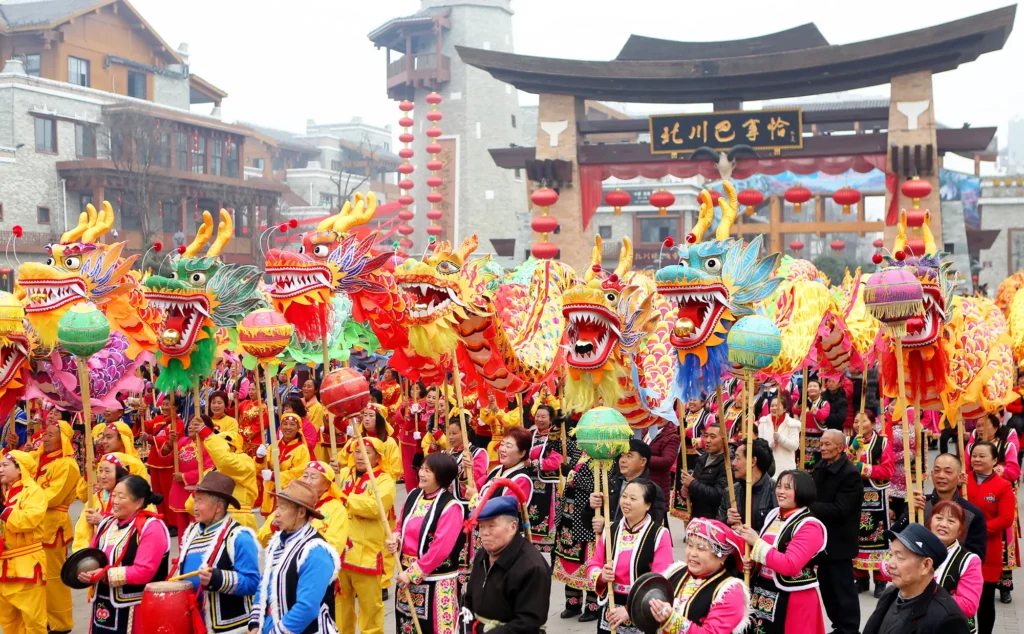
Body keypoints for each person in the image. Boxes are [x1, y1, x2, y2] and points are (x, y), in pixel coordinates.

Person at [734, 469, 826, 634]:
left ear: (802, 491)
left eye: (787, 487)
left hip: (793, 599)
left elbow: (790, 565)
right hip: (763, 594)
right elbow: (765, 553)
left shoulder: (810, 526)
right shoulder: (773, 515)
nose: (781, 491)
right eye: (779, 486)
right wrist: (753, 563)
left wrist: (757, 542)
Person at [385, 453, 465, 634]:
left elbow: (441, 549)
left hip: (435, 582)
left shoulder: (451, 507)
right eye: (422, 468)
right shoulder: (414, 495)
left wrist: (413, 573)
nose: (421, 473)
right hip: (406, 578)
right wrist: (396, 539)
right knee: (408, 627)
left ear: (442, 475)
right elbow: (400, 525)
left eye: (428, 470)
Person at [173, 471, 260, 634]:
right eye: (195, 500)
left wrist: (218, 578)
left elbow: (253, 582)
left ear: (219, 506)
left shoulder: (239, 536)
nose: (195, 506)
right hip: (194, 619)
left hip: (229, 627)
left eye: (200, 501)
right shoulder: (192, 531)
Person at [249, 480, 340, 634]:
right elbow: (264, 585)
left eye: (283, 508)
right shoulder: (277, 542)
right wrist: (255, 624)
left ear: (301, 512)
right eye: (277, 506)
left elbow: (307, 608)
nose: (276, 513)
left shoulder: (316, 552)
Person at [82, 475, 170, 634]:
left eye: (121, 496)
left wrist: (104, 575)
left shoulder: (151, 527)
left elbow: (144, 571)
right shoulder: (107, 524)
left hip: (136, 608)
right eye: (114, 495)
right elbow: (92, 556)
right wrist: (83, 572)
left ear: (138, 502)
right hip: (103, 605)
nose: (114, 500)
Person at [586, 480, 673, 634]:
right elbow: (593, 565)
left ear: (648, 505)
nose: (626, 502)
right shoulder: (610, 530)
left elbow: (660, 581)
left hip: (643, 606)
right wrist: (601, 576)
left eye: (633, 499)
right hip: (611, 607)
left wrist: (629, 610)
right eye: (624, 496)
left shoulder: (659, 535)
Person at [461, 496, 551, 632]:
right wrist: (466, 627)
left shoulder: (532, 566)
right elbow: (468, 600)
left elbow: (528, 622)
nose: (484, 533)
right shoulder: (483, 554)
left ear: (513, 527)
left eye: (492, 526)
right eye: (481, 527)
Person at [647, 518, 750, 634]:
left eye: (701, 548)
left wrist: (671, 620)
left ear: (722, 557)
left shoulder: (729, 591)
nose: (692, 553)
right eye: (690, 545)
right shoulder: (676, 572)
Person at [862, 523, 970, 634]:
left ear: (926, 565)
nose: (890, 564)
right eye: (890, 555)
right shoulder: (890, 594)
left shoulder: (947, 618)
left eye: (900, 557)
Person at [337, 436, 397, 634]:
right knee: (340, 612)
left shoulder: (385, 480)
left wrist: (344, 499)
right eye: (357, 452)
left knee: (371, 612)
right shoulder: (343, 474)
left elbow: (375, 507)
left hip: (367, 555)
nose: (360, 456)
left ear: (378, 457)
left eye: (367, 452)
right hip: (339, 554)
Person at [809, 428, 864, 634]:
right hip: (821, 542)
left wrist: (810, 507)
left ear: (840, 448)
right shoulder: (821, 467)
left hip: (840, 542)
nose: (822, 448)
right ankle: (838, 626)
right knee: (827, 590)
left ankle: (850, 629)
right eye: (821, 443)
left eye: (827, 444)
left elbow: (841, 509)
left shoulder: (850, 474)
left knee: (843, 591)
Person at [30, 420, 81, 634]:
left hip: (52, 528)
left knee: (53, 578)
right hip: (32, 526)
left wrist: (26, 499)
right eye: (45, 434)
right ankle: (44, 620)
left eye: (51, 435)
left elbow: (53, 496)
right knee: (37, 578)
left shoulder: (67, 465)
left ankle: (61, 623)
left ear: (63, 440)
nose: (45, 438)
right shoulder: (38, 459)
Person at [968, 412, 1020, 604]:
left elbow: (1014, 471)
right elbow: (966, 469)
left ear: (996, 427)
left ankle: (1005, 586)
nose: (980, 429)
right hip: (976, 498)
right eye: (978, 425)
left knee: (1003, 546)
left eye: (984, 425)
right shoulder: (972, 445)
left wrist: (991, 470)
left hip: (1001, 498)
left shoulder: (1007, 445)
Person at [896, 453, 988, 558]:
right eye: (937, 471)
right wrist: (909, 514)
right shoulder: (920, 505)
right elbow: (896, 538)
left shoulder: (972, 513)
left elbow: (977, 556)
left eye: (948, 472)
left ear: (960, 477)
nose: (941, 476)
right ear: (932, 474)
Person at [966, 441, 1015, 634]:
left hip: (988, 551)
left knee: (985, 601)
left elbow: (1005, 519)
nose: (976, 459)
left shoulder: (1003, 486)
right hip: (961, 547)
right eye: (974, 455)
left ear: (995, 460)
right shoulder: (962, 480)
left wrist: (978, 529)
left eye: (982, 456)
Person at [553, 433, 600, 622]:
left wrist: (574, 479)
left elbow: (599, 485)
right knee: (568, 560)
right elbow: (562, 446)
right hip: (568, 516)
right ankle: (572, 604)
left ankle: (592, 607)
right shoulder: (580, 452)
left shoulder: (602, 459)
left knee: (587, 563)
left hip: (585, 519)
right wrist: (558, 429)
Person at [850, 410, 896, 597]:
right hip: (855, 495)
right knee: (857, 537)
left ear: (873, 422)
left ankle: (880, 581)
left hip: (876, 495)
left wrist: (864, 468)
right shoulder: (849, 442)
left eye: (863, 421)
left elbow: (888, 470)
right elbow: (841, 463)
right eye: (855, 421)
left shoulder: (883, 442)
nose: (858, 425)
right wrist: (851, 450)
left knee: (877, 538)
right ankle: (860, 579)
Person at [0, 449, 46, 634]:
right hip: (3, 569)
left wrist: (2, 510)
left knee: (34, 623)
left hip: (26, 565)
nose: (0, 469)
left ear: (20, 470)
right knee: (9, 624)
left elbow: (28, 520)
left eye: (5, 465)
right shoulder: (3, 492)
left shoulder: (34, 492)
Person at [189, 415, 258, 529]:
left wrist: (206, 434)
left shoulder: (245, 461)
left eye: (225, 445)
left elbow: (225, 460)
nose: (220, 449)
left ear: (234, 447)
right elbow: (190, 506)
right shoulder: (211, 472)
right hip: (214, 522)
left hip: (239, 519)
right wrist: (197, 496)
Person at [929, 500, 984, 633]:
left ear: (960, 530)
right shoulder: (918, 550)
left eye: (951, 521)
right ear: (930, 522)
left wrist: (926, 596)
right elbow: (889, 571)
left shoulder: (969, 560)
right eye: (939, 518)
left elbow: (969, 605)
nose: (943, 524)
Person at [592, 439, 666, 532]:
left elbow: (651, 528)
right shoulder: (612, 483)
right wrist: (592, 506)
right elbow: (588, 522)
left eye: (629, 456)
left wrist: (608, 526)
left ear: (643, 461)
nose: (622, 460)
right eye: (622, 455)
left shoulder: (653, 490)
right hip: (607, 543)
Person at [526, 404, 572, 552]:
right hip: (529, 484)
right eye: (537, 416)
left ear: (551, 419)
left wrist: (532, 463)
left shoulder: (555, 436)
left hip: (547, 485)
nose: (539, 419)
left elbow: (554, 462)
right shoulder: (530, 434)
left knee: (545, 517)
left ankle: (546, 547)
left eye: (543, 417)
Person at [165, 414, 215, 540]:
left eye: (196, 424)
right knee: (182, 529)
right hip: (180, 491)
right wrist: (171, 444)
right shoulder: (182, 441)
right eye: (191, 423)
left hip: (197, 490)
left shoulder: (210, 444)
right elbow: (168, 460)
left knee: (197, 525)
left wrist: (184, 476)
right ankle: (183, 555)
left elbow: (209, 469)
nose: (191, 427)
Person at [72, 453, 131, 550]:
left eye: (107, 471)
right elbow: (82, 532)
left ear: (119, 474)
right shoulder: (95, 498)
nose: (102, 476)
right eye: (100, 471)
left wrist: (102, 521)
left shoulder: (130, 499)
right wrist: (84, 554)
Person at [256, 411, 311, 515]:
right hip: (270, 493)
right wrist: (259, 458)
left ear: (298, 428)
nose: (288, 427)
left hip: (290, 494)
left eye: (292, 424)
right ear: (280, 427)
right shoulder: (273, 446)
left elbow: (299, 473)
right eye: (285, 424)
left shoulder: (302, 449)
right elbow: (260, 469)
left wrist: (274, 475)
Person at [466, 425, 535, 508]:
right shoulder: (496, 471)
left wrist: (475, 499)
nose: (502, 449)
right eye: (502, 444)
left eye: (508, 446)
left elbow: (503, 512)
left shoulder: (522, 480)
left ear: (522, 453)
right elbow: (470, 490)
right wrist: (468, 470)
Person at [718, 437, 777, 531]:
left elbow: (780, 535)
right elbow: (718, 529)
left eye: (737, 458)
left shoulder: (776, 492)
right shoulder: (731, 492)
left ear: (752, 461)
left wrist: (752, 536)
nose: (733, 463)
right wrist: (727, 521)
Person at [140, 395, 182, 524]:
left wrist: (151, 439)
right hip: (154, 462)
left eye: (168, 404)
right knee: (157, 493)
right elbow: (145, 426)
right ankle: (163, 519)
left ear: (175, 407)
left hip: (168, 464)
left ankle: (173, 522)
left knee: (168, 493)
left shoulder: (178, 423)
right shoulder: (157, 419)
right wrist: (140, 416)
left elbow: (171, 444)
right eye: (163, 404)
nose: (164, 407)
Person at [677, 422, 728, 519]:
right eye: (706, 436)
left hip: (715, 520)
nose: (708, 440)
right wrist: (688, 492)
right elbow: (698, 487)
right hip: (698, 517)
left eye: (713, 437)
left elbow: (719, 495)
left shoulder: (728, 464)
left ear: (724, 439)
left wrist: (692, 484)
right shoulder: (702, 459)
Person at [758, 391, 801, 473]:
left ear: (785, 409)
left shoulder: (792, 424)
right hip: (768, 466)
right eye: (772, 406)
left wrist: (781, 439)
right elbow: (760, 445)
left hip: (786, 466)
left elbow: (795, 446)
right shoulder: (763, 422)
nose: (774, 408)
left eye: (777, 406)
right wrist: (770, 445)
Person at [398, 381, 429, 493]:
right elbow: (398, 419)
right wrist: (403, 409)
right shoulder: (407, 402)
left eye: (417, 388)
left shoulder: (427, 402)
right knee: (409, 470)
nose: (413, 391)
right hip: (407, 440)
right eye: (411, 389)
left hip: (421, 440)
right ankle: (411, 493)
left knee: (422, 467)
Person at [643, 414, 680, 506]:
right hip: (641, 482)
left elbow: (666, 461)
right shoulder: (644, 429)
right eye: (656, 413)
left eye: (663, 414)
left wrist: (641, 459)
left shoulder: (672, 436)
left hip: (656, 485)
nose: (659, 417)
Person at [794, 377, 830, 470]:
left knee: (816, 465)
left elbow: (822, 415)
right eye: (809, 386)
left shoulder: (824, 403)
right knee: (801, 463)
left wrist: (810, 405)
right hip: (803, 436)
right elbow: (794, 410)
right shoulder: (803, 402)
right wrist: (800, 400)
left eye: (815, 386)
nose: (812, 388)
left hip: (818, 437)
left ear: (820, 390)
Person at [480, 390, 522, 464]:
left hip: (511, 445)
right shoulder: (496, 409)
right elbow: (485, 419)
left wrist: (497, 410)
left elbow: (508, 422)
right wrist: (489, 405)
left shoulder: (518, 410)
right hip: (494, 447)